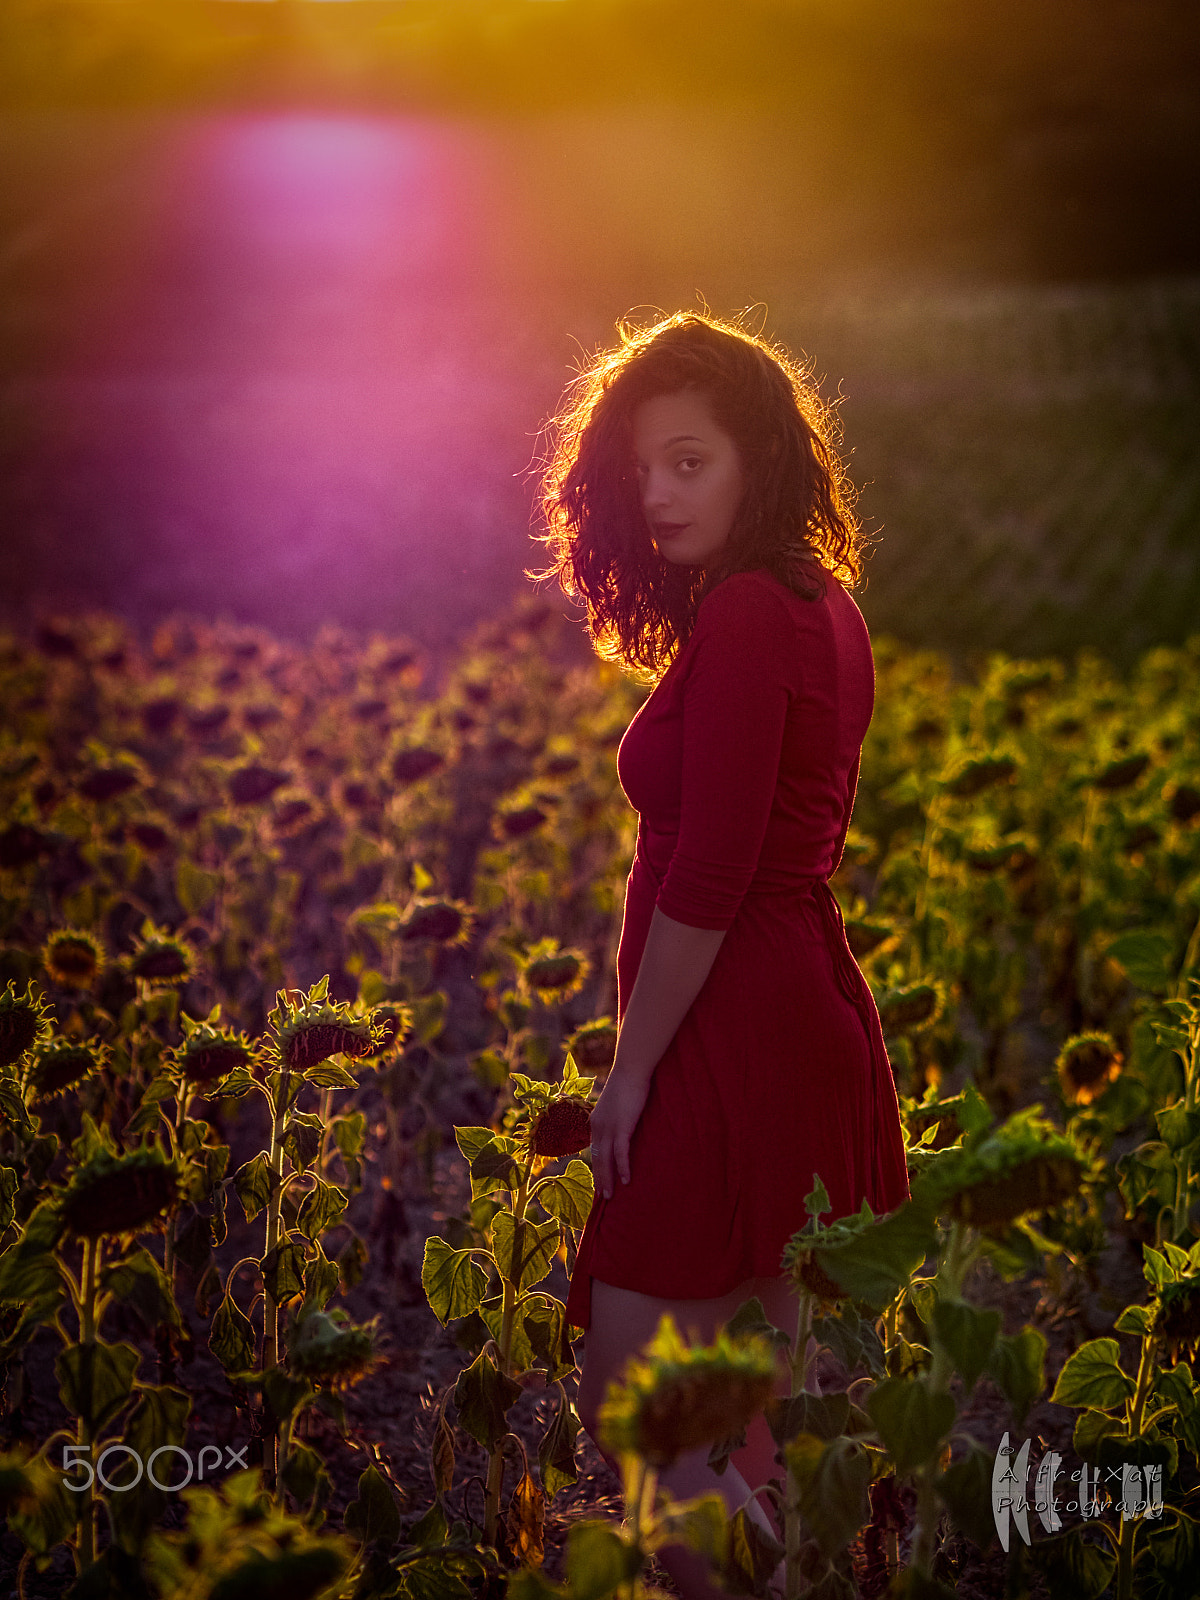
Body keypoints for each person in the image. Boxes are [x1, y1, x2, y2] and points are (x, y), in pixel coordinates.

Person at [530, 309, 910, 1598]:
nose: (655, 495)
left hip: (729, 1024)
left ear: (758, 455)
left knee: (636, 1401)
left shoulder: (751, 612)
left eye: (688, 462)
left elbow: (714, 871)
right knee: (754, 1418)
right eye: (639, 470)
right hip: (795, 1006)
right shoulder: (821, 603)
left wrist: (630, 1073)